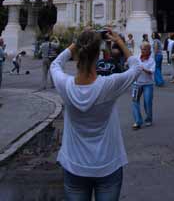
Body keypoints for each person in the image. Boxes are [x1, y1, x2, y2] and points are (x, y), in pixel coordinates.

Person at [50, 28, 142, 200]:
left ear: (78, 55)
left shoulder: (65, 85)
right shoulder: (109, 85)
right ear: (98, 56)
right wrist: (120, 42)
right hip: (108, 164)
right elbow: (136, 68)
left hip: (74, 165)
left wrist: (75, 44)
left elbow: (55, 64)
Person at [132, 42, 155, 130]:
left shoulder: (151, 60)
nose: (142, 51)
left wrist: (143, 69)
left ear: (149, 50)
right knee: (135, 101)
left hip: (148, 84)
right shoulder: (136, 58)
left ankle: (148, 119)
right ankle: (137, 121)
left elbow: (151, 72)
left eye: (144, 49)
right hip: (137, 83)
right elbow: (132, 67)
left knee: (147, 102)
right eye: (141, 49)